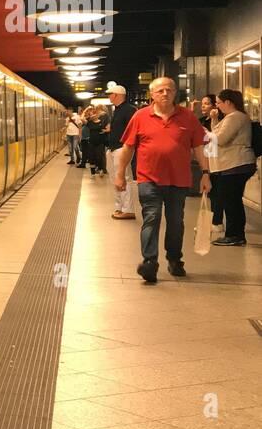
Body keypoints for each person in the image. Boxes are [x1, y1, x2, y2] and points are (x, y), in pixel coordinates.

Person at [114, 76, 213, 283]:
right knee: (151, 218)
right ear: (152, 94)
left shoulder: (188, 117)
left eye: (169, 90)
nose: (165, 93)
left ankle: (175, 259)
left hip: (179, 180)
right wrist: (120, 174)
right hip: (148, 179)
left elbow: (198, 148)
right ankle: (150, 262)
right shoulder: (140, 116)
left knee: (176, 222)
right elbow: (128, 148)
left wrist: (206, 173)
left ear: (175, 92)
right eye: (160, 91)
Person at [206, 88, 257, 246]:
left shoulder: (236, 117)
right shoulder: (230, 117)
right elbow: (216, 133)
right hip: (231, 165)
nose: (217, 106)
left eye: (219, 103)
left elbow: (220, 139)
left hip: (236, 164)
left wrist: (203, 132)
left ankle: (235, 235)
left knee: (231, 200)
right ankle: (235, 234)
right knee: (230, 199)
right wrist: (213, 122)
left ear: (228, 102)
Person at [104, 82, 136, 219]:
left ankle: (128, 209)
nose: (109, 97)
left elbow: (133, 130)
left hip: (122, 148)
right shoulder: (117, 110)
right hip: (113, 149)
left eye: (110, 94)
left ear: (116, 95)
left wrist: (126, 147)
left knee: (124, 178)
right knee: (115, 179)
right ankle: (119, 207)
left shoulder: (129, 110)